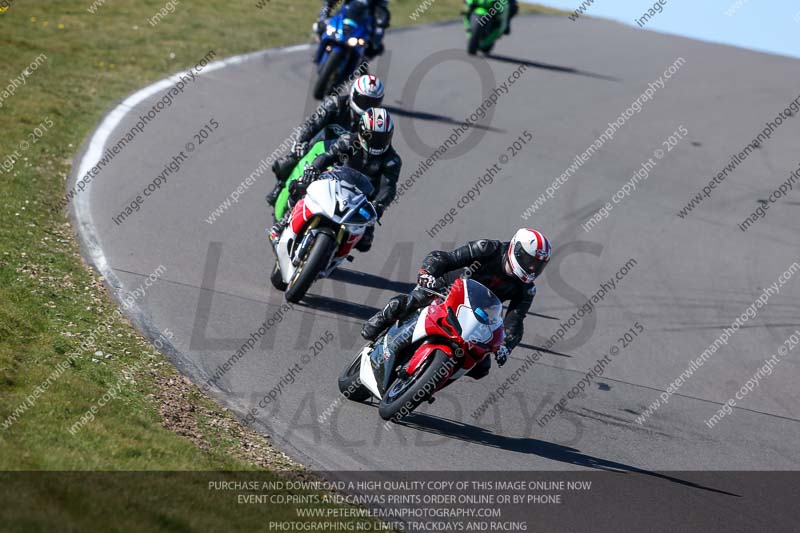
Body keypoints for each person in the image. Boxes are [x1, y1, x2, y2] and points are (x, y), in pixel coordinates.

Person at [361, 228, 552, 379]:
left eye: (538, 264)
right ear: (515, 249)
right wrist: (428, 274)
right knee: (415, 300)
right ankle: (382, 319)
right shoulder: (487, 249)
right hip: (444, 289)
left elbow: (515, 321)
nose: (532, 267)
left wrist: (506, 347)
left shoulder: (526, 289)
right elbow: (445, 258)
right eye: (529, 260)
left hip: (475, 316)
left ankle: (433, 377)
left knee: (481, 367)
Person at [269, 107, 401, 252]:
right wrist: (314, 169)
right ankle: (281, 225)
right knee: (300, 185)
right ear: (363, 131)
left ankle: (334, 252)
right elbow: (327, 156)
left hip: (362, 198)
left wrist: (379, 205)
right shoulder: (349, 140)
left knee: (365, 243)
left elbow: (388, 187)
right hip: (335, 183)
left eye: (381, 138)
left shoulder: (392, 160)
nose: (376, 142)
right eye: (372, 136)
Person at [266, 75, 385, 205]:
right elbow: (310, 125)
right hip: (319, 148)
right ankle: (280, 185)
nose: (366, 107)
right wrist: (301, 142)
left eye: (372, 103)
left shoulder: (375, 123)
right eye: (364, 101)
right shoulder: (335, 104)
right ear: (353, 94)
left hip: (347, 160)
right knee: (291, 159)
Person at [317, 0, 390, 58]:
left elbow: (382, 14)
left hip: (360, 29)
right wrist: (324, 16)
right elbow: (328, 5)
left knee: (375, 48)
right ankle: (321, 46)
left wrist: (375, 44)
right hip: (343, 19)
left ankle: (359, 65)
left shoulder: (377, 7)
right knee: (322, 26)